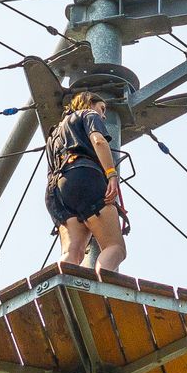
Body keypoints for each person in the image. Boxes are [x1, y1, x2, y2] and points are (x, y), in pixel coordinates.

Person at [45, 90, 127, 273]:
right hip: (84, 176)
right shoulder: (88, 114)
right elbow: (98, 141)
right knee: (115, 248)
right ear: (90, 102)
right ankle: (101, 290)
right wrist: (111, 174)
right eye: (102, 108)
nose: (103, 115)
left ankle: (64, 287)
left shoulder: (53, 135)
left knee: (72, 252)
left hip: (57, 191)